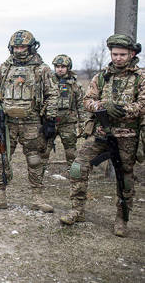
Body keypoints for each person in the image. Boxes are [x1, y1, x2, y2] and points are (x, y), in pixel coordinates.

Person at [60, 34, 143, 237]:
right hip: (100, 134)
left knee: (125, 179)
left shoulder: (140, 78)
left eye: (122, 54)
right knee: (78, 167)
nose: (118, 58)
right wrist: (102, 106)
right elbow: (88, 100)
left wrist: (122, 110)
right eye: (114, 54)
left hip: (127, 136)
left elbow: (142, 104)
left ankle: (121, 219)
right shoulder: (102, 77)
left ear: (132, 54)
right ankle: (77, 210)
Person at [0, 30, 59, 213]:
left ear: (31, 47)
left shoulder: (42, 69)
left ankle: (37, 197)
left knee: (34, 160)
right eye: (16, 46)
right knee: (2, 159)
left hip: (32, 123)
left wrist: (50, 120)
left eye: (23, 46)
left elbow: (52, 95)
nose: (19, 50)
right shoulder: (5, 68)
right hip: (8, 124)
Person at [40, 54, 85, 172]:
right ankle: (38, 176)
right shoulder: (47, 82)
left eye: (63, 67)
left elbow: (80, 105)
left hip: (68, 123)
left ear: (68, 67)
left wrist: (83, 123)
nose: (60, 69)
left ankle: (75, 175)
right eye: (57, 66)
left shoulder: (75, 84)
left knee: (71, 152)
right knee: (44, 150)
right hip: (50, 122)